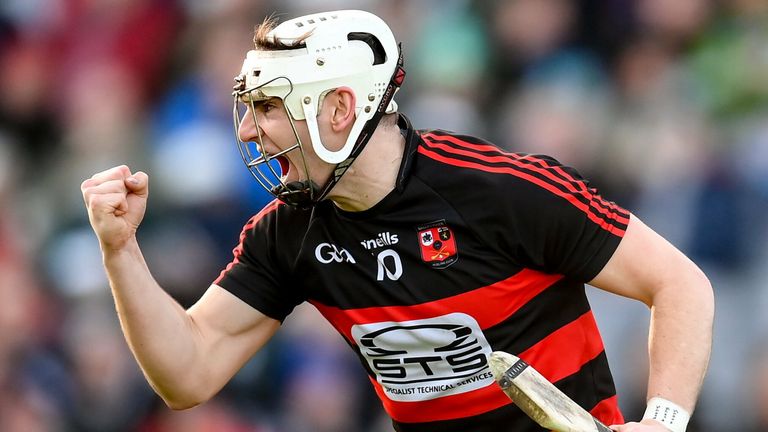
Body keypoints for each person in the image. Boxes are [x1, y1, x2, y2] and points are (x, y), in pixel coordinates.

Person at [80, 9, 714, 432]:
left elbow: (681, 285)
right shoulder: (289, 232)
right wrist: (119, 251)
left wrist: (662, 422)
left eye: (268, 107)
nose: (247, 130)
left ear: (339, 109)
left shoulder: (501, 191)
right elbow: (187, 373)